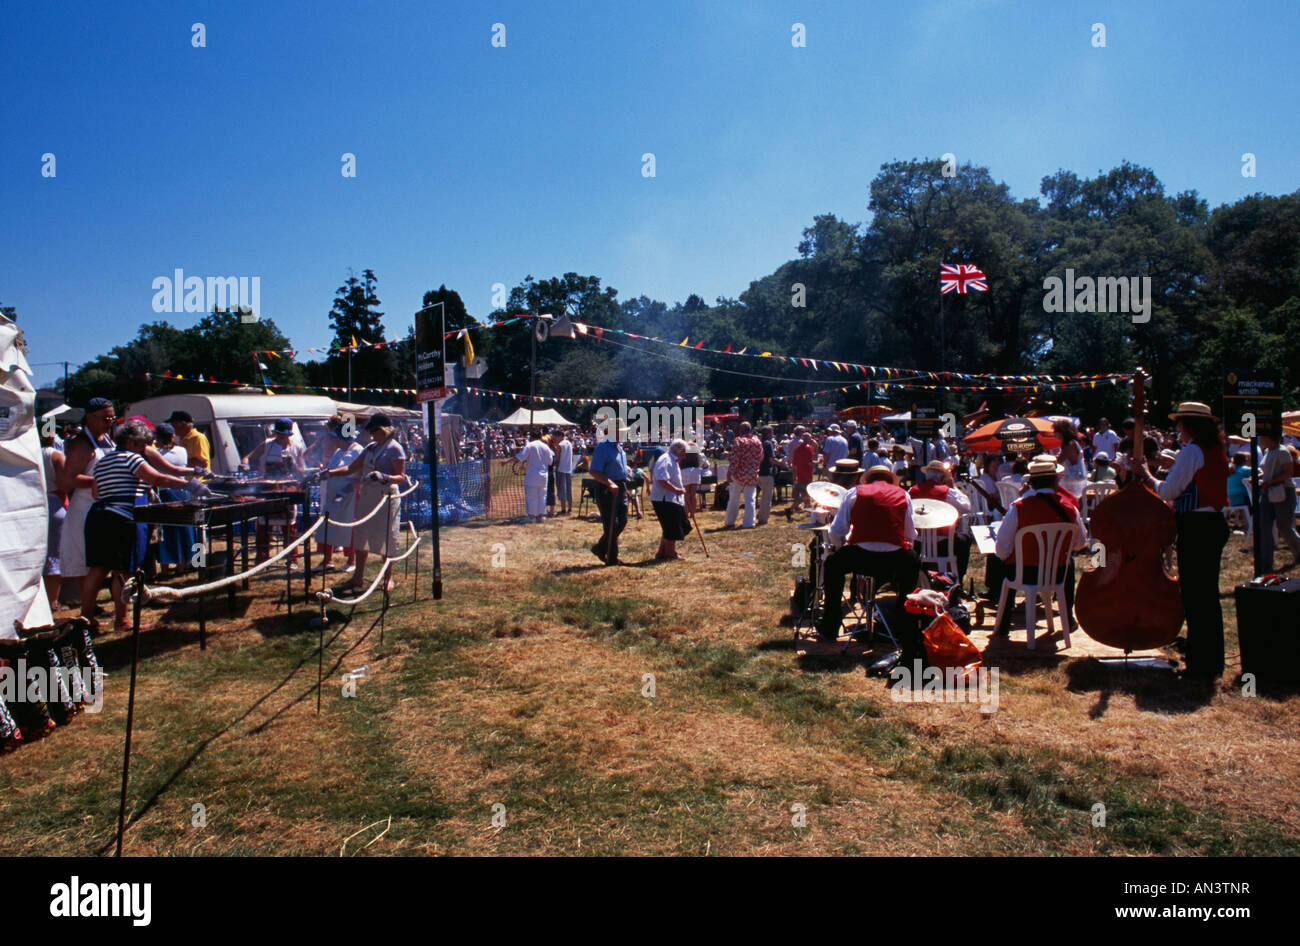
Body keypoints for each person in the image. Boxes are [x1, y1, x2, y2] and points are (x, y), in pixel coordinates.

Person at [1131, 403, 1230, 677]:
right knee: (1206, 596)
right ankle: (1208, 658)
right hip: (1212, 524)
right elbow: (1198, 478)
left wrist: (1146, 475)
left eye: (1180, 424)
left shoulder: (1192, 451)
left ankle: (1202, 663)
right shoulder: (1214, 450)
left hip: (1197, 527)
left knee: (1196, 596)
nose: (1177, 429)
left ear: (1189, 426)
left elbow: (1169, 491)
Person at [84, 420, 191, 631]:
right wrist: (189, 484)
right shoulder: (132, 458)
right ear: (132, 442)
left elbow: (96, 493)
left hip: (98, 517)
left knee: (97, 569)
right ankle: (122, 621)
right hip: (123, 519)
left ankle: (85, 620)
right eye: (143, 444)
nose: (145, 448)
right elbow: (158, 478)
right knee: (125, 571)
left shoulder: (103, 462)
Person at [818, 465, 924, 661]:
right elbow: (910, 534)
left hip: (862, 557)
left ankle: (829, 628)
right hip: (894, 559)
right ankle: (904, 629)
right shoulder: (903, 494)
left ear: (867, 480)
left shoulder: (854, 493)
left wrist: (840, 547)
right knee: (912, 565)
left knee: (833, 565)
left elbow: (837, 529)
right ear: (890, 480)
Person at [985, 455, 1087, 635]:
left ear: (1031, 482)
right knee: (1069, 563)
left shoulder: (1019, 507)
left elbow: (1002, 547)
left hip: (1023, 573)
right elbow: (1080, 544)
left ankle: (1004, 622)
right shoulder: (1071, 509)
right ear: (1056, 482)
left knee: (1001, 561)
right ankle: (1068, 617)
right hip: (1057, 574)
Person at [326, 414, 407, 593]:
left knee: (387, 537)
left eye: (374, 431)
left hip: (386, 498)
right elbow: (351, 468)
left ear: (383, 430)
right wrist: (329, 472)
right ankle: (358, 577)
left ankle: (388, 577)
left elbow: (401, 477)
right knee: (361, 537)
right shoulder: (370, 448)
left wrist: (384, 477)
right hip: (368, 497)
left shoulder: (395, 449)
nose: (371, 435)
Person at [57, 397, 117, 609]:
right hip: (85, 512)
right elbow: (66, 480)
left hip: (107, 509)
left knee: (105, 563)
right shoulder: (82, 445)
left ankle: (97, 609)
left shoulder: (108, 440)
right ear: (90, 417)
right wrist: (95, 481)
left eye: (112, 417)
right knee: (88, 564)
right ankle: (88, 612)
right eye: (105, 418)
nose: (109, 422)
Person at [316, 414, 365, 573]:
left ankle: (352, 561)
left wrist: (332, 475)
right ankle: (327, 560)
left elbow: (358, 474)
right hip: (334, 495)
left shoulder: (358, 451)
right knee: (329, 525)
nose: (334, 441)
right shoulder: (339, 451)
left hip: (350, 494)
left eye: (336, 438)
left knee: (348, 527)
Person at [910, 459, 972, 578]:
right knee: (965, 540)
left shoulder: (912, 491)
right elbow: (967, 507)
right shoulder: (948, 492)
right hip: (943, 545)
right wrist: (953, 486)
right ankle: (958, 578)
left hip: (917, 544)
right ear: (942, 477)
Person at [152, 423, 197, 577]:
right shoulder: (181, 451)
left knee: (166, 531)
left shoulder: (157, 454)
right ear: (172, 436)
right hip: (184, 492)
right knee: (184, 530)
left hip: (166, 493)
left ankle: (165, 569)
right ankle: (182, 566)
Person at [589, 424, 632, 566]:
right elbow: (594, 471)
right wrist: (609, 483)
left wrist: (624, 485)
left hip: (621, 486)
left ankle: (600, 547)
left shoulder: (620, 448)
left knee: (623, 521)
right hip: (606, 489)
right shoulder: (603, 447)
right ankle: (612, 558)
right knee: (611, 524)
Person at [1258, 432, 1300, 570]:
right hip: (1267, 492)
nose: (1259, 440)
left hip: (1283, 492)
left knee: (1284, 526)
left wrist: (1271, 481)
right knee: (1264, 525)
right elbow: (1267, 470)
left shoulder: (1283, 452)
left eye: (1262, 437)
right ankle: (1266, 561)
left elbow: (1288, 472)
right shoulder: (1267, 452)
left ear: (1269, 438)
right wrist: (1260, 476)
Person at [650, 440, 690, 560]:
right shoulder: (666, 460)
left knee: (677, 526)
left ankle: (662, 552)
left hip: (671, 499)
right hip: (664, 499)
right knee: (672, 527)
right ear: (678, 451)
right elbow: (662, 480)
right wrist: (677, 490)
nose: (685, 456)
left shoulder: (673, 460)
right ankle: (670, 553)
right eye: (683, 453)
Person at [40, 429, 67, 612]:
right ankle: (52, 602)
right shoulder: (56, 455)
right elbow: (65, 483)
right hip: (55, 503)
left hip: (37, 504)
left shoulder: (30, 454)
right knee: (54, 557)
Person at [724, 422, 763, 529]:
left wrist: (729, 473)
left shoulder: (738, 441)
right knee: (750, 499)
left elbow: (735, 460)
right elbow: (760, 457)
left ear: (741, 430)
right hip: (752, 474)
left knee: (734, 499)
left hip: (739, 474)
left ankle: (730, 521)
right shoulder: (757, 442)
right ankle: (749, 523)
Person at [514, 429, 555, 524]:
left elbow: (520, 457)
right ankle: (541, 516)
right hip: (543, 475)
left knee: (531, 497)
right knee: (542, 496)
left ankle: (531, 517)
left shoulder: (530, 446)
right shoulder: (546, 446)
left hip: (532, 475)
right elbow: (550, 461)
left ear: (531, 437)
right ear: (540, 437)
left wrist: (506, 462)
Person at [786, 428, 816, 520]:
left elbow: (794, 464)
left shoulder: (797, 449)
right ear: (809, 439)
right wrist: (819, 461)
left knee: (804, 495)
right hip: (807, 474)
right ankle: (792, 509)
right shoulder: (809, 448)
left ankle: (807, 511)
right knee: (806, 495)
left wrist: (794, 476)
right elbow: (810, 463)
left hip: (799, 474)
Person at [757, 426, 779, 525]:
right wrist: (782, 463)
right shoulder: (768, 443)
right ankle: (763, 518)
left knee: (761, 496)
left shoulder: (758, 442)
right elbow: (771, 459)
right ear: (769, 433)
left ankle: (760, 513)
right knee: (767, 497)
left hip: (758, 472)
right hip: (767, 472)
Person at [555, 429, 575, 515]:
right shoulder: (569, 443)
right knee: (569, 489)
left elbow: (558, 458)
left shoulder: (560, 445)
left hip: (561, 469)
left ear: (559, 436)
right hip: (568, 469)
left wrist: (555, 465)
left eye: (555, 436)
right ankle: (570, 509)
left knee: (562, 489)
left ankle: (563, 509)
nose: (554, 438)